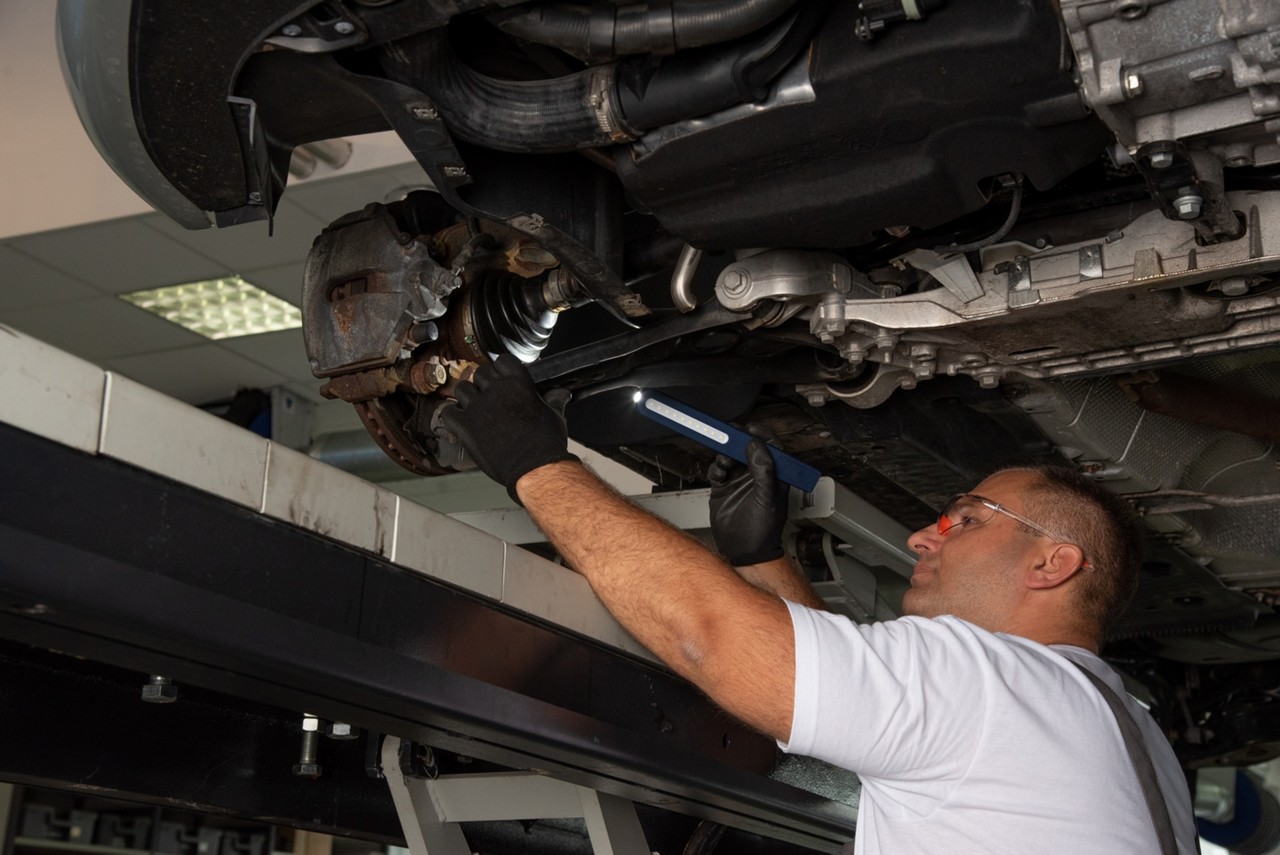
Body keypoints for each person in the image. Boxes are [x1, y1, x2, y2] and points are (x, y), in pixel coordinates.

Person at [438, 355, 1199, 854]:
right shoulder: (1115, 723)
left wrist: (534, 463)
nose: (922, 536)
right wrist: (764, 559)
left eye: (964, 519)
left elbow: (710, 635)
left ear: (1051, 562)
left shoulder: (991, 685)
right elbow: (849, 706)